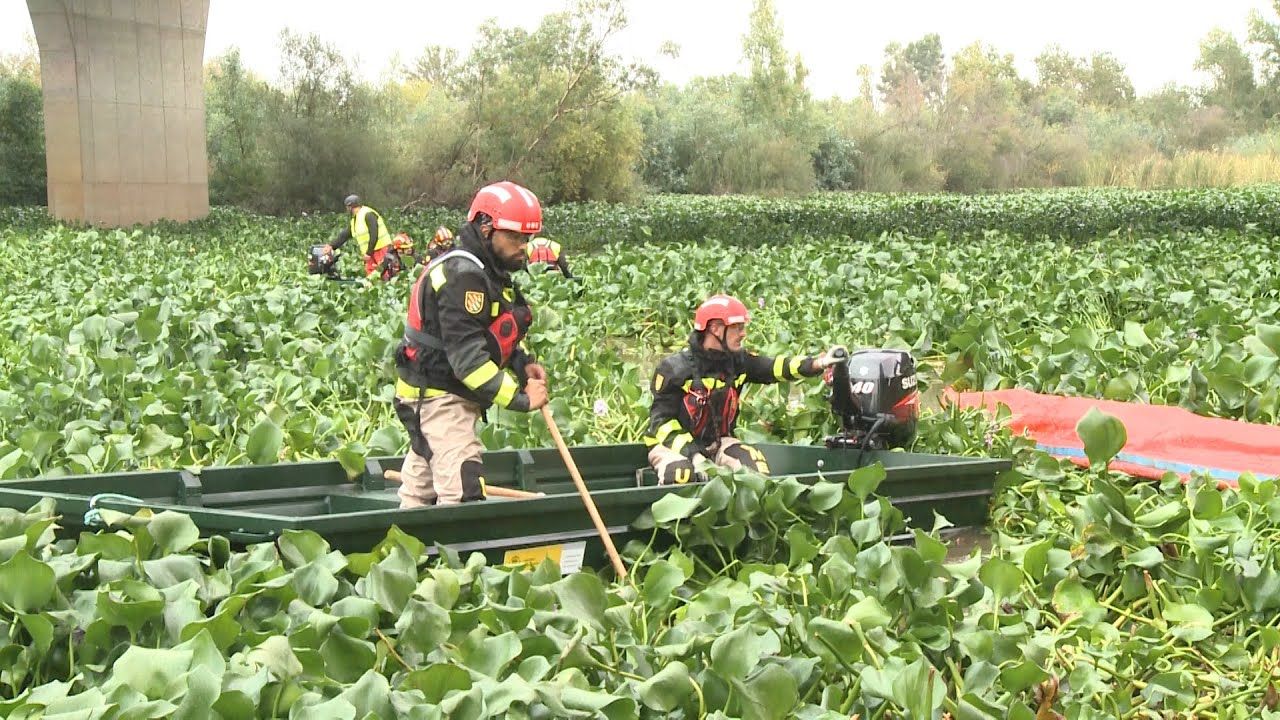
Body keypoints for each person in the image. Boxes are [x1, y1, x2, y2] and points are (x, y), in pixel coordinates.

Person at [391, 181, 549, 507]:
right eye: (515, 237)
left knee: (420, 495)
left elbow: (484, 335)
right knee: (464, 492)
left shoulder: (485, 272)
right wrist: (520, 399)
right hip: (439, 400)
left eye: (527, 238)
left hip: (434, 398)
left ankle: (409, 553)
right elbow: (468, 362)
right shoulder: (463, 277)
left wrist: (521, 363)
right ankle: (457, 558)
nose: (524, 246)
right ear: (486, 227)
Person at [644, 294, 845, 485]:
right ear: (715, 328)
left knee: (756, 468)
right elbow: (661, 424)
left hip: (717, 442)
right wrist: (693, 455)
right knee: (682, 474)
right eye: (737, 328)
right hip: (672, 447)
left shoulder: (738, 362)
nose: (743, 333)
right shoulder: (674, 370)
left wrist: (819, 363)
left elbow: (775, 367)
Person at [323, 195, 401, 280]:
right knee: (371, 277)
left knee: (385, 273)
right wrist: (332, 246)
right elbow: (345, 235)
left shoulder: (368, 214)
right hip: (370, 253)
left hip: (381, 249)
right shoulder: (355, 219)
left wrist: (368, 252)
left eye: (347, 207)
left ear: (350, 207)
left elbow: (374, 234)